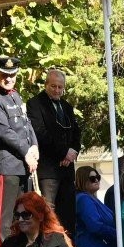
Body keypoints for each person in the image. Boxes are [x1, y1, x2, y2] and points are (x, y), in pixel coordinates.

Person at [0, 56, 38, 247]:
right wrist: (26, 152)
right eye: (5, 75)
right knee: (5, 213)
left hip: (24, 163)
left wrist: (34, 147)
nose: (8, 79)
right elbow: (4, 131)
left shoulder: (16, 96)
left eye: (12, 75)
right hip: (8, 163)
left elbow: (27, 125)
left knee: (22, 212)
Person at [27, 68, 81, 229]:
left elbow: (76, 133)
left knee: (68, 214)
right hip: (49, 169)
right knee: (48, 213)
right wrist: (64, 152)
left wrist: (72, 152)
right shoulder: (35, 104)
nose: (57, 90)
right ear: (46, 85)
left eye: (60, 87)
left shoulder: (67, 107)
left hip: (67, 169)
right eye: (53, 86)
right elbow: (39, 133)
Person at [70, 165, 116, 247]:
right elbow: (95, 225)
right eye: (92, 178)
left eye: (98, 177)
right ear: (83, 180)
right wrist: (117, 234)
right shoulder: (84, 199)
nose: (96, 180)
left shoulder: (90, 198)